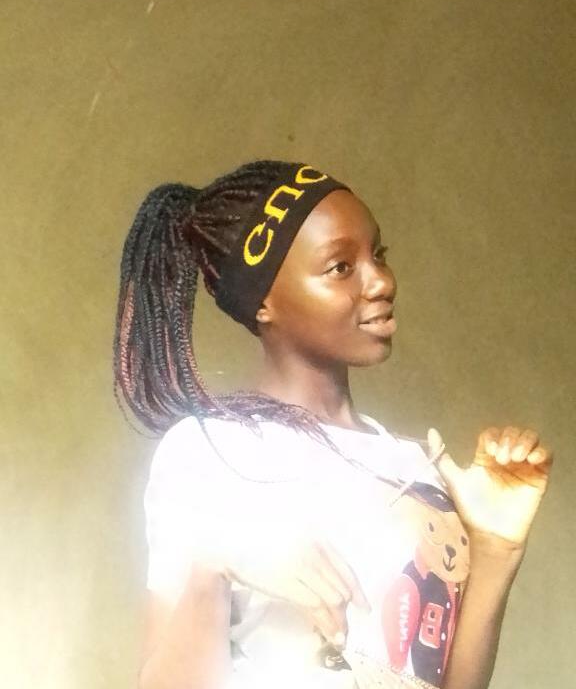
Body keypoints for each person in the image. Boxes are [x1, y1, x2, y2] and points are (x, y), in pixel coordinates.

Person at [113, 161, 552, 689]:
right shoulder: (212, 450)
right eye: (341, 267)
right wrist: (215, 567)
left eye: (378, 255)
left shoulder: (415, 467)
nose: (381, 281)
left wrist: (496, 551)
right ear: (264, 301)